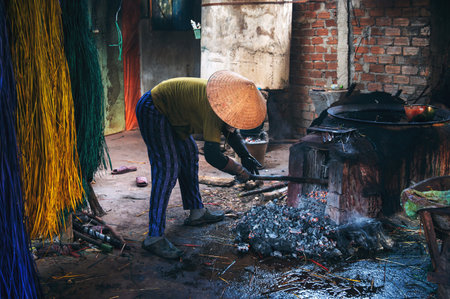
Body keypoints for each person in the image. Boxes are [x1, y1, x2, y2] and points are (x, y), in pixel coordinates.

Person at [135, 70, 267, 259]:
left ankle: (197, 212)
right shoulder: (214, 107)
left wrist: (245, 156)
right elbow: (212, 155)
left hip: (173, 114)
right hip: (154, 108)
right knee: (168, 168)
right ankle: (154, 237)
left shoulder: (226, 103)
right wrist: (239, 171)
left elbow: (230, 132)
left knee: (189, 154)